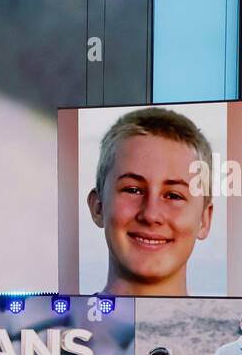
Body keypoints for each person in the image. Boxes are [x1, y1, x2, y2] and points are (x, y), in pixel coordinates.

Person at [86, 107, 215, 297]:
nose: (150, 214)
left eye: (173, 195)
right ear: (98, 207)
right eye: (133, 190)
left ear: (204, 220)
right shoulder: (54, 326)